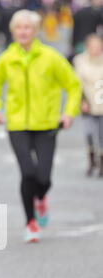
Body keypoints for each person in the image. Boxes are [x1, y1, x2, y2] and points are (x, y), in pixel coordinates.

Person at [0, 9, 82, 243]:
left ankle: (41, 197)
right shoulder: (8, 58)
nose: (23, 32)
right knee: (27, 172)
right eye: (19, 28)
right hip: (17, 123)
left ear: (35, 31)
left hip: (47, 123)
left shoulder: (50, 57)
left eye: (27, 28)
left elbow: (73, 85)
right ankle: (31, 223)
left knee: (45, 178)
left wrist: (68, 113)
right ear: (14, 32)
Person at [74, 34, 103, 177]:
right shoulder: (80, 61)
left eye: (99, 46)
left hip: (101, 101)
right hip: (87, 102)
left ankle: (102, 165)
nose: (96, 49)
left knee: (102, 135)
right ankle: (92, 162)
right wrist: (82, 100)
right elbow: (76, 83)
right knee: (89, 133)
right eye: (93, 46)